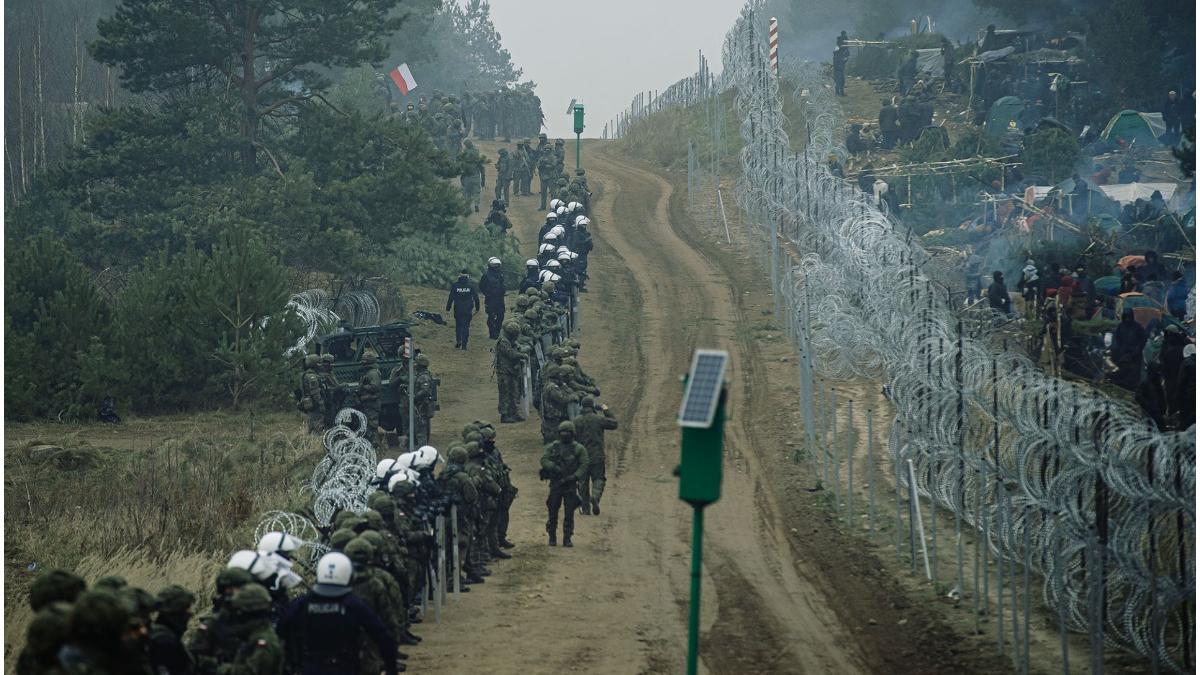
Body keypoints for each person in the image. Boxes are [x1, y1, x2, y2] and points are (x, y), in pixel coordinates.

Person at [277, 552, 399, 675]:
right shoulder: (353, 604)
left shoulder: (302, 603)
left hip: (311, 668)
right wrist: (391, 668)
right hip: (345, 668)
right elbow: (383, 636)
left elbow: (281, 631)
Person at [540, 421, 589, 547]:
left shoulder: (578, 448)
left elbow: (584, 464)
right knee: (552, 510)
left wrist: (575, 476)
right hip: (556, 483)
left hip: (570, 484)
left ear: (572, 434)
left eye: (567, 432)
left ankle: (567, 537)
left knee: (569, 512)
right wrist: (554, 467)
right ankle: (552, 537)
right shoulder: (553, 447)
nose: (564, 435)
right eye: (562, 432)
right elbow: (544, 459)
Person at [572, 397, 618, 516]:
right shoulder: (598, 419)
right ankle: (596, 497)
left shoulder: (576, 421)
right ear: (593, 406)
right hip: (597, 455)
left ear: (582, 406)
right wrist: (605, 409)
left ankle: (585, 508)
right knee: (599, 479)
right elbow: (614, 423)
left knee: (582, 483)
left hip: (581, 457)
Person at [149, 585, 195, 675]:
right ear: (176, 610)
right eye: (186, 608)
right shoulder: (163, 641)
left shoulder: (168, 635)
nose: (190, 613)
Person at [495, 321, 527, 423]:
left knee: (515, 392)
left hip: (512, 371)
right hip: (504, 372)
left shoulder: (511, 342)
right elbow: (511, 354)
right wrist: (522, 355)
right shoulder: (503, 342)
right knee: (505, 393)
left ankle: (514, 413)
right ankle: (505, 415)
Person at [1110, 308, 1147, 389]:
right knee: (1123, 372)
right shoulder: (1120, 327)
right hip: (1123, 354)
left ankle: (1132, 387)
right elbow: (1116, 339)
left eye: (1128, 317)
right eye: (1126, 317)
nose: (1127, 319)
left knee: (1134, 375)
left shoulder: (1137, 327)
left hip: (1134, 355)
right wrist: (1117, 351)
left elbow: (1143, 339)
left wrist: (1136, 350)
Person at [446, 268, 480, 350]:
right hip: (468, 310)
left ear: (459, 276)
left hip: (458, 309)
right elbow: (476, 297)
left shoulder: (455, 286)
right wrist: (477, 308)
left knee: (458, 326)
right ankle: (464, 345)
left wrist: (448, 308)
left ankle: (458, 340)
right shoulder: (471, 286)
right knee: (466, 327)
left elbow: (451, 297)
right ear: (468, 276)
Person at [479, 258, 507, 340]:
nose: (497, 267)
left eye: (498, 265)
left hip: (500, 299)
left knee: (500, 316)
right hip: (490, 300)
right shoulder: (486, 275)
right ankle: (492, 333)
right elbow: (481, 286)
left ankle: (497, 332)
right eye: (495, 265)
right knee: (491, 316)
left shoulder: (500, 274)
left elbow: (502, 284)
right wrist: (487, 294)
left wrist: (502, 291)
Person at [411, 354, 437, 447]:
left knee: (421, 426)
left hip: (423, 404)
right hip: (421, 404)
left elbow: (425, 390)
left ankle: (422, 446)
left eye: (416, 364)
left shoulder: (424, 377)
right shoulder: (421, 375)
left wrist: (415, 397)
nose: (414, 365)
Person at [358, 351, 382, 446]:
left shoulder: (372, 373)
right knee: (368, 424)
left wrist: (363, 387)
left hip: (372, 403)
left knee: (372, 425)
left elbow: (375, 387)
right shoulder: (369, 372)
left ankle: (375, 444)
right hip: (368, 402)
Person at [299, 354, 324, 434]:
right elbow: (315, 392)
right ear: (314, 364)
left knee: (311, 422)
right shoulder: (312, 376)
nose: (320, 365)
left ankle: (310, 441)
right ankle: (317, 442)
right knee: (317, 423)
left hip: (310, 403)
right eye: (318, 363)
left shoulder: (307, 374)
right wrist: (321, 404)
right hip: (314, 404)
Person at [459, 139, 486, 212]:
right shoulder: (477, 155)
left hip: (467, 178)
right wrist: (483, 181)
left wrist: (462, 179)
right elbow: (482, 170)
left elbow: (462, 171)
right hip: (476, 177)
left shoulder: (465, 159)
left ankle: (467, 207)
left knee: (467, 192)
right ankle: (476, 204)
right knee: (476, 192)